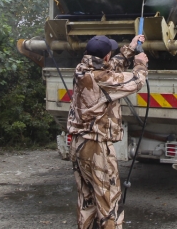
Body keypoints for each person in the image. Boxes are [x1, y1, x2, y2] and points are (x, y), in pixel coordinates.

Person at [67, 34, 148, 229]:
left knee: (87, 199)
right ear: (105, 57)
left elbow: (111, 66)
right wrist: (140, 64)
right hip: (95, 148)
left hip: (78, 143)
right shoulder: (102, 79)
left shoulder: (82, 69)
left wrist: (130, 48)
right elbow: (135, 82)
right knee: (108, 200)